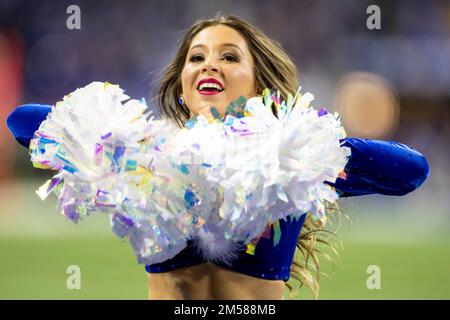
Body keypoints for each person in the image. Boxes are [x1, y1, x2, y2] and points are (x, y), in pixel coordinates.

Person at [6, 15, 429, 300]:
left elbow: (411, 170)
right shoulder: (146, 160)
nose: (210, 66)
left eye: (229, 56)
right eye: (197, 58)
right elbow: (22, 122)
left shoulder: (292, 159)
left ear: (259, 83)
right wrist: (126, 142)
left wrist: (315, 145)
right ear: (182, 84)